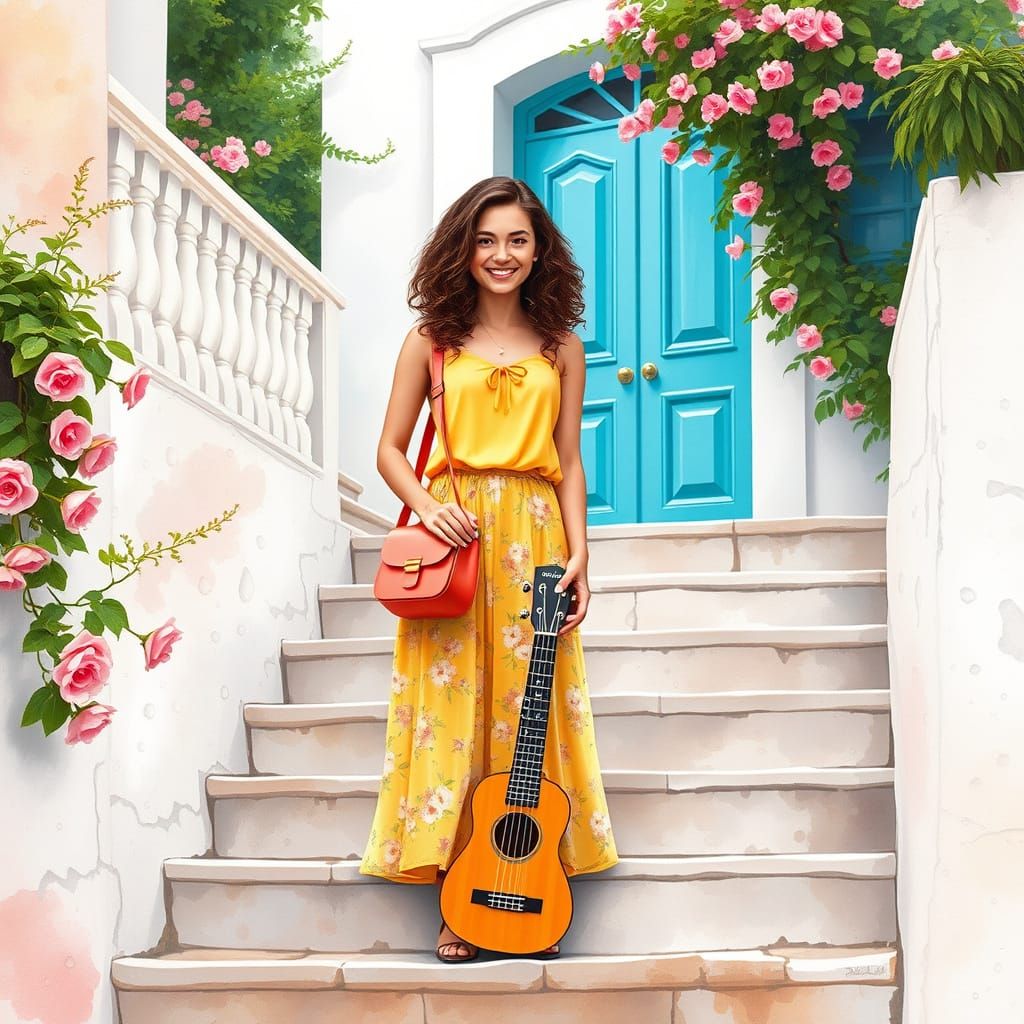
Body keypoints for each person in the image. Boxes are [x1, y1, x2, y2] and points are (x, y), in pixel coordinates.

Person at [358, 176, 619, 962]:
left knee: (527, 709)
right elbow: (389, 450)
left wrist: (580, 551)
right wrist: (427, 503)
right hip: (455, 538)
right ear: (462, 249)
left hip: (536, 539)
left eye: (516, 240)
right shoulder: (431, 340)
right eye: (485, 240)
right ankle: (457, 901)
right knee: (451, 711)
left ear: (540, 251)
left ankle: (531, 879)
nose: (501, 255)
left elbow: (568, 461)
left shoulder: (561, 346)